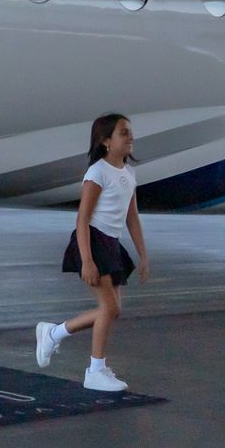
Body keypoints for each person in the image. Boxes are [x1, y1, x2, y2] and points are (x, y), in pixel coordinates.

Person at [35, 113, 151, 391]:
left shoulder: (129, 173)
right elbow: (82, 219)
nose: (130, 137)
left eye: (130, 132)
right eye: (123, 132)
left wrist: (143, 255)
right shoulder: (97, 172)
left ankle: (54, 333)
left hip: (111, 242)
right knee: (109, 308)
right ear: (105, 141)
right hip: (93, 241)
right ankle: (95, 371)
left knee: (113, 310)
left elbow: (131, 217)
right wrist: (86, 260)